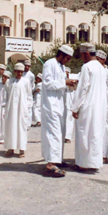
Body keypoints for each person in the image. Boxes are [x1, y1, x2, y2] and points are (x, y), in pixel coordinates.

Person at [71, 43, 107, 171]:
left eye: (81, 55)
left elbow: (82, 89)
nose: (81, 58)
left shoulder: (87, 67)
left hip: (88, 106)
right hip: (99, 107)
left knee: (85, 134)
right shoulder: (102, 68)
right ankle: (95, 163)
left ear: (86, 53)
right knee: (96, 134)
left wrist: (75, 108)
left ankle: (83, 164)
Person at [41, 45, 75, 177]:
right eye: (67, 58)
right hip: (50, 105)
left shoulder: (61, 67)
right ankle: (50, 164)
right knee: (53, 134)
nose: (68, 61)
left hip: (60, 105)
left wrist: (69, 85)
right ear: (61, 54)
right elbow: (48, 83)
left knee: (60, 134)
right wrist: (64, 83)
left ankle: (57, 159)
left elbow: (60, 84)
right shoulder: (50, 64)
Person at [3, 63, 33, 158]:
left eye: (21, 71)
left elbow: (29, 96)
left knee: (21, 128)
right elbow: (6, 95)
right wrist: (6, 106)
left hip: (22, 109)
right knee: (11, 127)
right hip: (11, 109)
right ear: (14, 71)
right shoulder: (9, 82)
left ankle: (22, 149)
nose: (20, 73)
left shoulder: (26, 81)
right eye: (18, 71)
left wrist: (27, 107)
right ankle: (10, 148)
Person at [64, 66, 77, 143]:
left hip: (70, 102)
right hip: (62, 103)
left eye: (67, 73)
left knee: (69, 119)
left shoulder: (72, 81)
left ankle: (67, 137)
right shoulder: (61, 81)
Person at [22, 59, 35, 128]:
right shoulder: (21, 73)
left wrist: (31, 91)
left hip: (28, 93)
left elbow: (32, 85)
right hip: (22, 92)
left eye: (28, 66)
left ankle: (28, 124)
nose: (27, 67)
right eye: (25, 66)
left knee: (29, 108)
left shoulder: (31, 75)